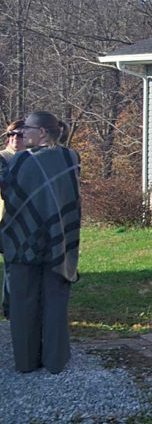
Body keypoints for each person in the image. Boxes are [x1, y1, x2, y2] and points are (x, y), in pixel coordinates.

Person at [0, 111, 81, 373]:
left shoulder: (22, 161)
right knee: (56, 302)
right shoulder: (71, 158)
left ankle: (26, 362)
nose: (22, 133)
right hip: (61, 241)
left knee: (24, 303)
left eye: (27, 129)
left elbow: (7, 187)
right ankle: (56, 361)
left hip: (25, 241)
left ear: (42, 133)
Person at [1, 120, 27, 318]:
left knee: (15, 264)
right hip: (4, 218)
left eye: (20, 134)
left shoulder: (31, 158)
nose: (15, 138)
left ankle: (12, 307)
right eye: (12, 134)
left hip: (22, 220)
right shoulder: (2, 159)